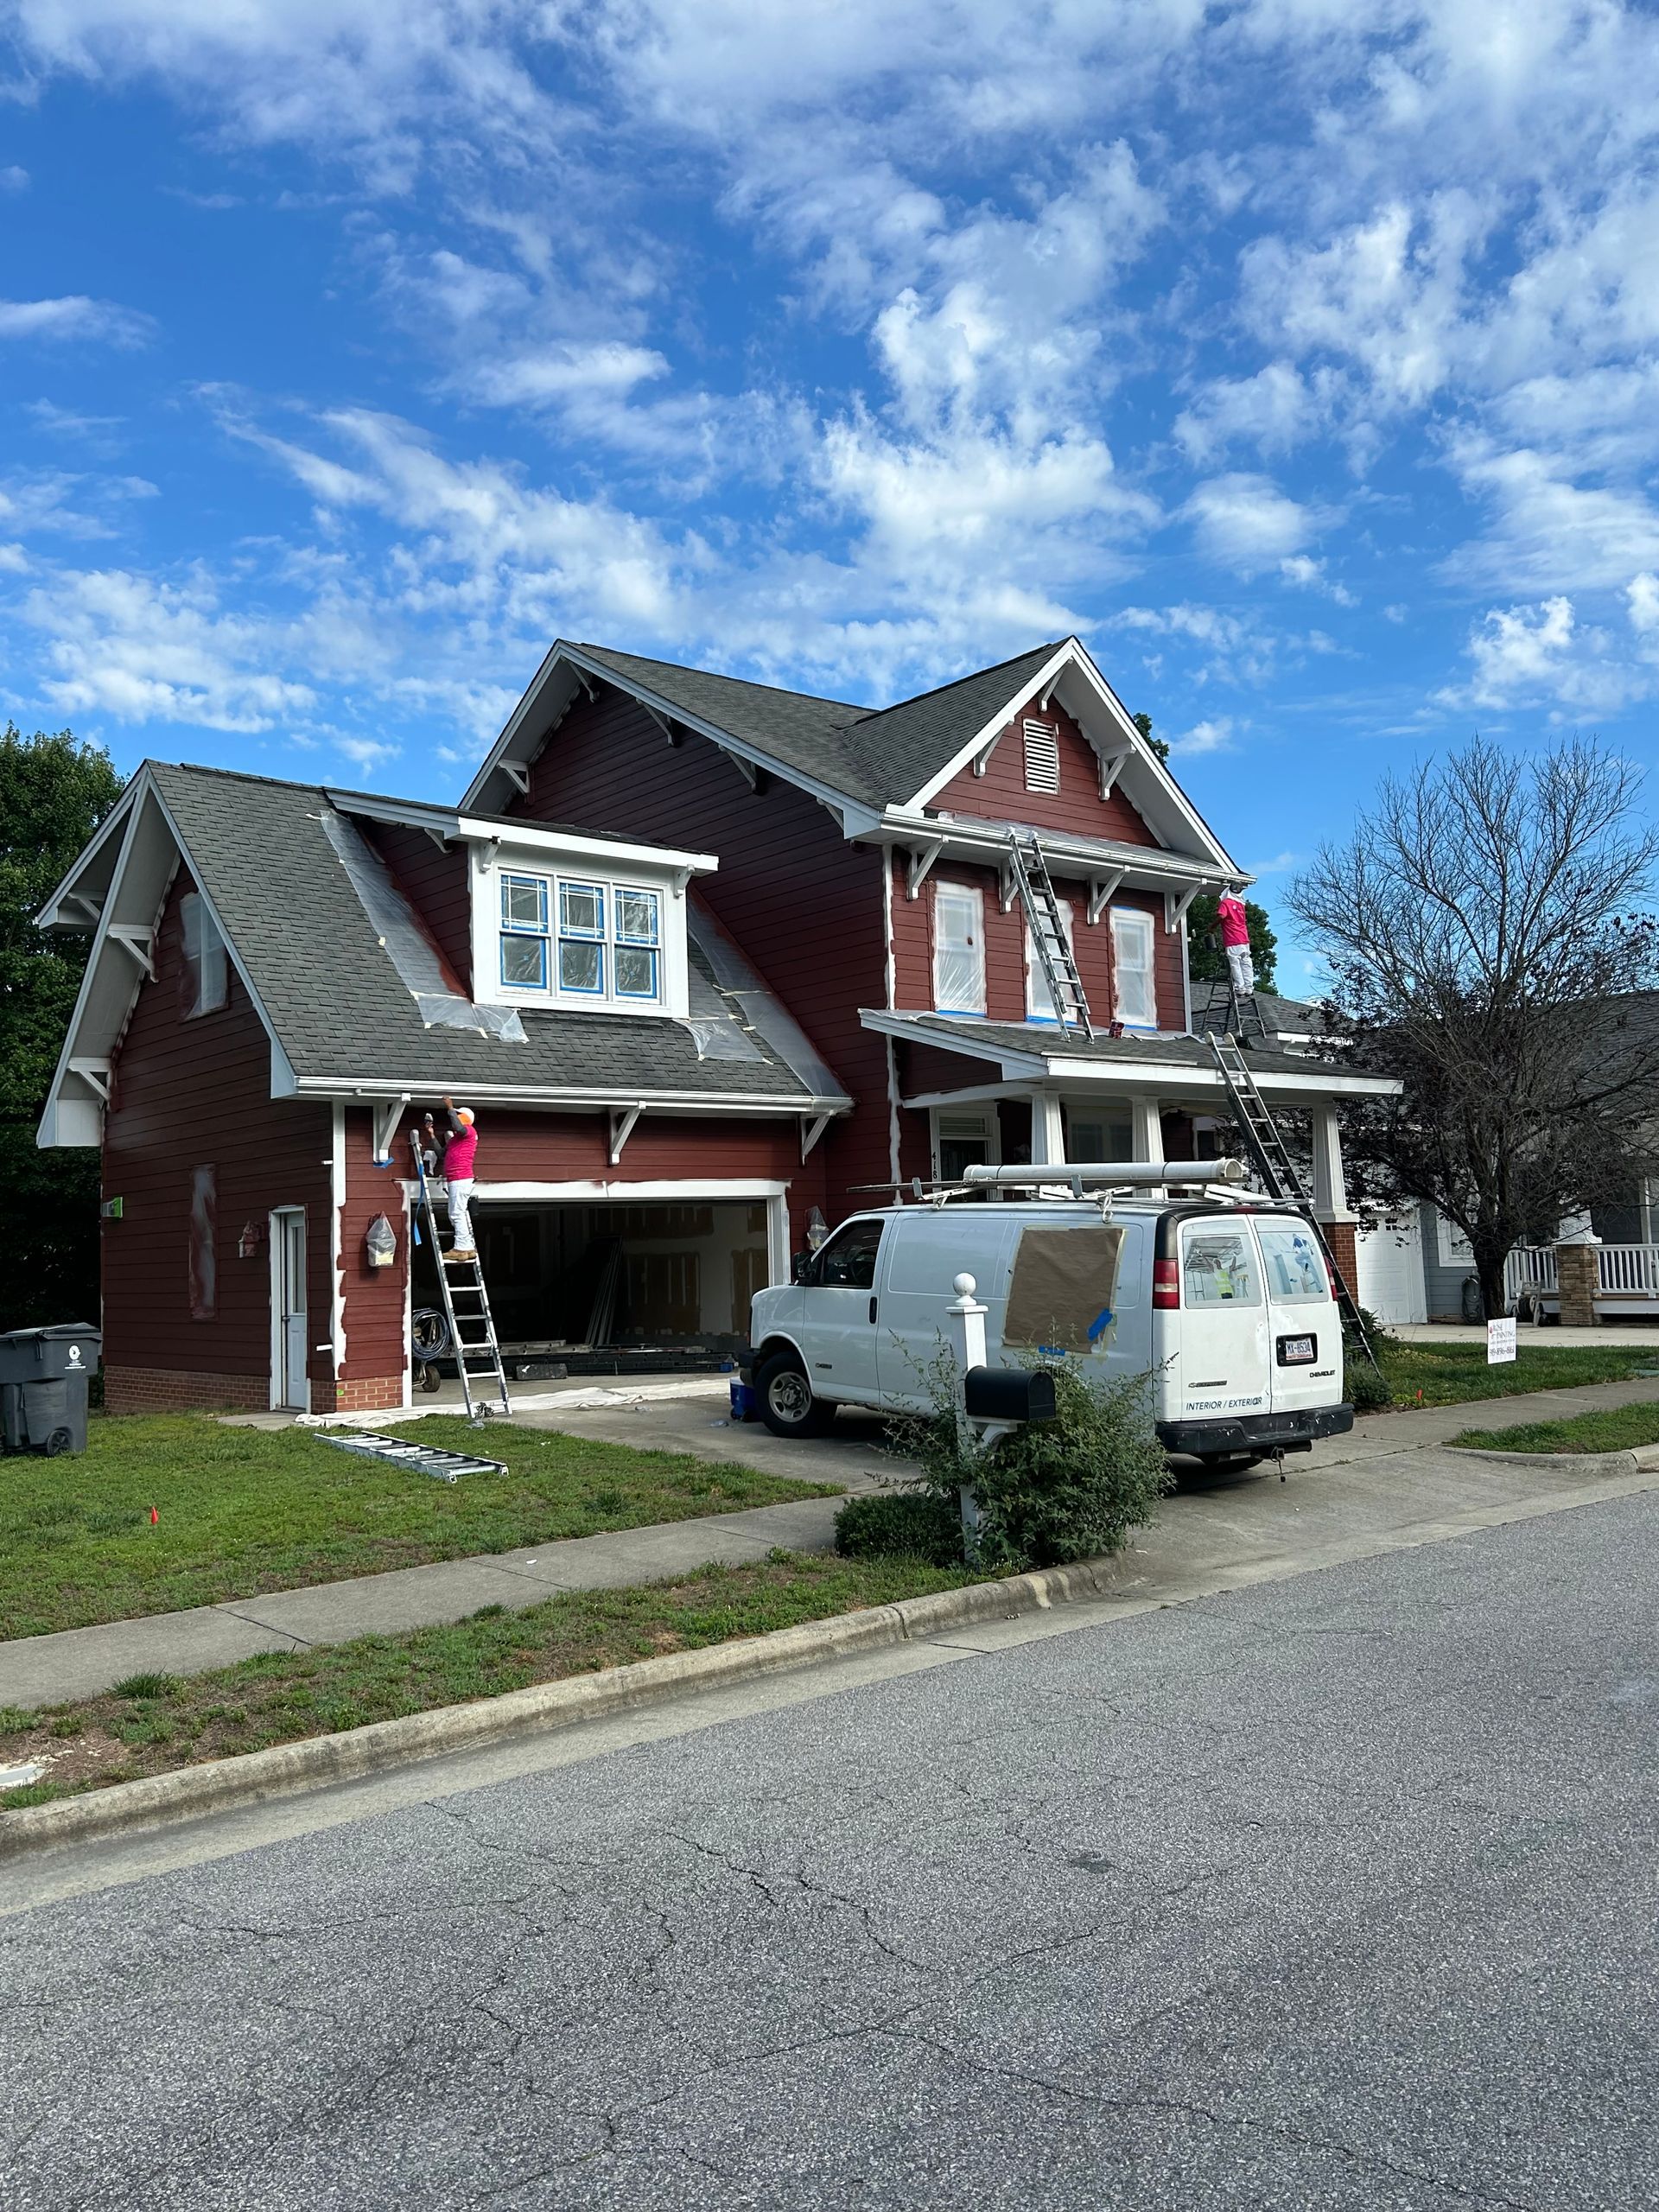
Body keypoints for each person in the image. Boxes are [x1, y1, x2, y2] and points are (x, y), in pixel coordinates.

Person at [437, 1096, 478, 1262]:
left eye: (459, 1114)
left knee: (456, 1214)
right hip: (458, 1178)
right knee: (457, 1213)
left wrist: (450, 1108)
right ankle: (467, 1248)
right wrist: (431, 1135)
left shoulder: (469, 1131)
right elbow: (441, 1153)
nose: (457, 1116)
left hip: (460, 1178)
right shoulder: (455, 1139)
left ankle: (461, 1249)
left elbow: (459, 1127)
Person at [1217, 889, 1255, 1001]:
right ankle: (1249, 987)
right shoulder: (1241, 904)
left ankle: (1240, 988)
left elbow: (1222, 916)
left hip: (1232, 937)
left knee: (1235, 963)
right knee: (1246, 962)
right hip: (1244, 937)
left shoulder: (1226, 903)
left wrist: (1212, 926)